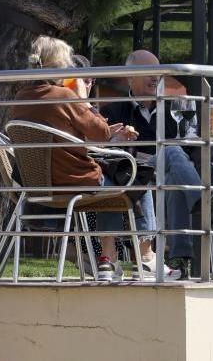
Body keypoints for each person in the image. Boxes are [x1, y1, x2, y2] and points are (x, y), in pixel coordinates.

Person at [8, 36, 140, 280]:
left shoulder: (20, 99)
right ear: (61, 65)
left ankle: (95, 255)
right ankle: (114, 259)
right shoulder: (65, 97)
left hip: (35, 186)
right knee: (125, 186)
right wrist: (83, 99)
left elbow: (58, 134)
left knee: (115, 182)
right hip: (75, 182)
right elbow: (100, 134)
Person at [100, 50, 200, 279]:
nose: (155, 78)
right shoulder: (113, 111)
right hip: (135, 170)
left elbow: (191, 144)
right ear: (130, 78)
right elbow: (106, 153)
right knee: (173, 164)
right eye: (148, 72)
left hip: (170, 168)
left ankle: (171, 257)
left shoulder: (172, 109)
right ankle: (199, 200)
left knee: (174, 160)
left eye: (158, 72)